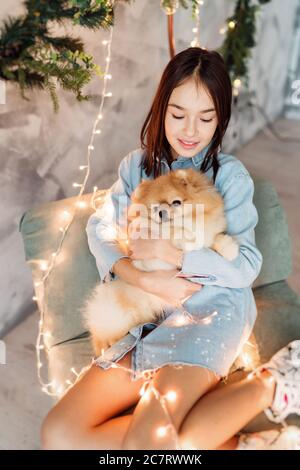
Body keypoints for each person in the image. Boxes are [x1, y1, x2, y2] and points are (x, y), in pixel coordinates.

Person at [41, 47, 300, 450]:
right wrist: (139, 275)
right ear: (161, 107)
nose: (190, 130)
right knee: (59, 434)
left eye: (206, 117)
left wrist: (171, 254)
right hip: (149, 315)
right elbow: (100, 229)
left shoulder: (230, 177)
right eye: (178, 114)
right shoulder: (136, 167)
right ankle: (237, 442)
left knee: (148, 442)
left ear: (222, 118)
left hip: (211, 311)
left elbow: (246, 265)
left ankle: (271, 382)